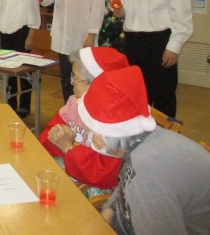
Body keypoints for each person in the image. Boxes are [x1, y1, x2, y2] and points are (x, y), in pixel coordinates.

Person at [78, 66, 210, 235]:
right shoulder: (142, 142)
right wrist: (109, 210)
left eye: (89, 130)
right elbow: (126, 183)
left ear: (102, 135)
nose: (88, 135)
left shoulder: (147, 169)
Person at [38, 47, 128, 193]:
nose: (72, 82)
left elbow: (103, 175)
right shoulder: (75, 103)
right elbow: (46, 138)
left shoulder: (117, 124)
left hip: (101, 190)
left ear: (98, 84)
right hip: (76, 170)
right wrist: (56, 136)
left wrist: (68, 148)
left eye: (75, 77)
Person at [29, 0, 106, 103]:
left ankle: (82, 114)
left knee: (83, 80)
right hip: (63, 38)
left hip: (82, 39)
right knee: (66, 78)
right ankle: (68, 111)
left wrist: (91, 36)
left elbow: (97, 11)